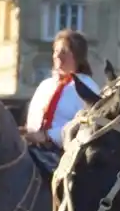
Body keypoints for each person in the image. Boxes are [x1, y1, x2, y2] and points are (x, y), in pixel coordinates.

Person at [23, 29, 101, 166]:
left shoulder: (87, 87)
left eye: (64, 52)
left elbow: (88, 123)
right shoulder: (45, 85)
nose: (57, 56)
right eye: (56, 51)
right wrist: (29, 133)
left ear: (77, 56)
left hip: (66, 155)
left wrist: (48, 136)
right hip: (34, 150)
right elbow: (32, 120)